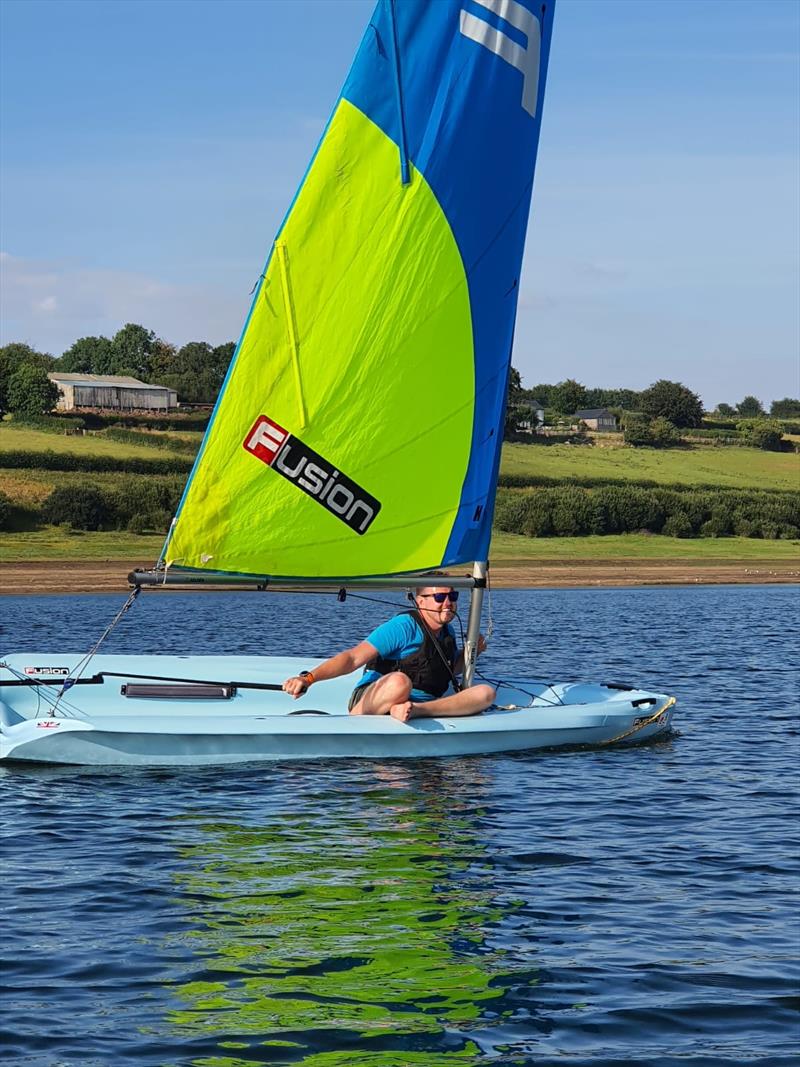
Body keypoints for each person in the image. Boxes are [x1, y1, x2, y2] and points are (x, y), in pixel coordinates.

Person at [282, 585, 495, 722]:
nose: (448, 603)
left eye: (452, 595)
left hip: (416, 705)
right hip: (375, 698)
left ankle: (417, 711)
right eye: (439, 597)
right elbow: (352, 658)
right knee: (400, 683)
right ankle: (354, 723)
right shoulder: (403, 626)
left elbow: (447, 670)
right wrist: (309, 678)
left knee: (486, 693)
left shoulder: (447, 631)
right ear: (420, 601)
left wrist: (473, 652)